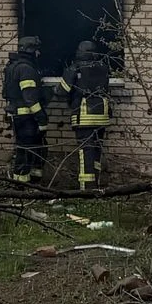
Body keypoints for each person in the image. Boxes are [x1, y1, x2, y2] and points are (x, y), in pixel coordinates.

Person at [59, 40, 111, 191]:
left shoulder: (74, 68)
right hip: (102, 116)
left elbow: (62, 91)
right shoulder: (103, 68)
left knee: (86, 151)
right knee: (96, 150)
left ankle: (86, 188)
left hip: (84, 116)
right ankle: (96, 184)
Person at [2, 36, 48, 183]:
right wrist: (41, 118)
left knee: (33, 149)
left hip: (19, 115)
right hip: (27, 117)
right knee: (26, 152)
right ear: (31, 51)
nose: (39, 54)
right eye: (37, 50)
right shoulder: (26, 69)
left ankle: (32, 183)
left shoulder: (14, 66)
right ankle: (22, 186)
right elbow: (30, 99)